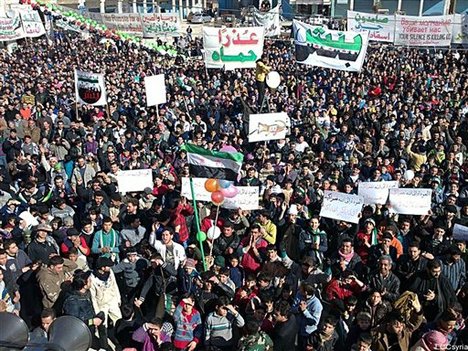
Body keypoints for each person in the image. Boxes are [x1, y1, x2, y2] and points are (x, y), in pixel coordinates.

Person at [62, 270, 110, 351]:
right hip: (81, 336)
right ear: (84, 285)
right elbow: (74, 323)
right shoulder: (72, 301)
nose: (91, 281)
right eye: (89, 280)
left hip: (90, 330)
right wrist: (92, 321)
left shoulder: (86, 292)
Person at [292, 282, 323, 350]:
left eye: (301, 289)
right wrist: (299, 309)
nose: (299, 290)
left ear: (305, 292)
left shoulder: (317, 304)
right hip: (297, 330)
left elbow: (315, 322)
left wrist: (305, 311)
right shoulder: (299, 295)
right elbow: (293, 308)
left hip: (308, 334)